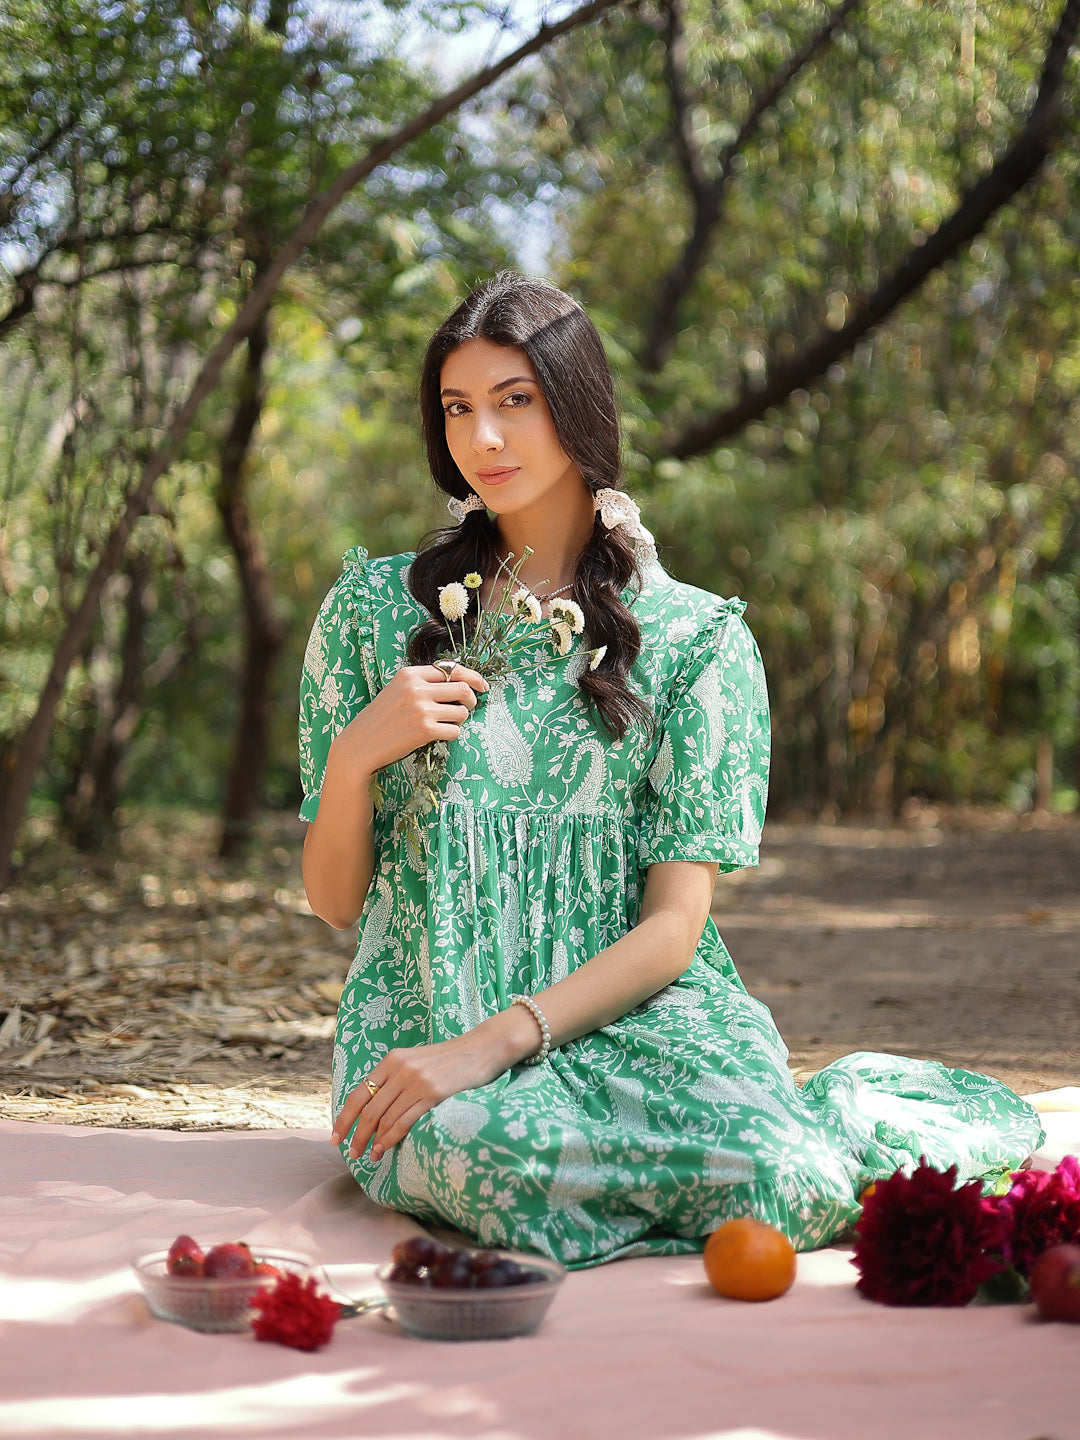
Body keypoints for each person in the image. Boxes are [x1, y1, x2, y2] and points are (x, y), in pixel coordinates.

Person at [298, 272, 1042, 1268]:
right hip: (431, 1019)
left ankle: (800, 1123)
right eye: (459, 409)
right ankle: (660, 1183)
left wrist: (501, 1041)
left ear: (576, 405)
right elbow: (335, 903)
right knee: (492, 1163)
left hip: (641, 1016)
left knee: (794, 1184)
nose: (484, 440)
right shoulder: (373, 613)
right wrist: (356, 756)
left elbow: (673, 928)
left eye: (515, 401)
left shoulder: (693, 639)